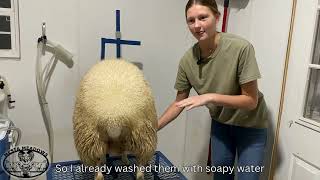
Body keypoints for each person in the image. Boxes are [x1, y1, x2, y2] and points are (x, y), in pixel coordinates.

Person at [157, 0, 268, 180]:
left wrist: (210, 97)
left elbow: (250, 101)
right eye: (191, 20)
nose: (197, 25)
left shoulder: (240, 48)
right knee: (221, 176)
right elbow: (179, 103)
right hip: (221, 126)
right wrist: (154, 127)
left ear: (217, 17)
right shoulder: (187, 61)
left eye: (203, 17)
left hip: (251, 126)